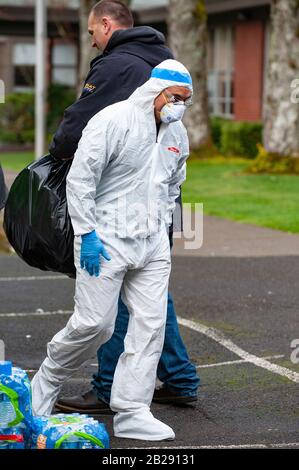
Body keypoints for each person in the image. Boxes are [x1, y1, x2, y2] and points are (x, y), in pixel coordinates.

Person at [31, 59, 193, 441]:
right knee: (95, 325)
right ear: (155, 91)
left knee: (150, 325)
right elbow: (80, 179)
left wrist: (163, 226)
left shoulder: (177, 132)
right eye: (175, 97)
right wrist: (86, 233)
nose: (179, 106)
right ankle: (46, 384)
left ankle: (133, 410)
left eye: (186, 100)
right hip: (105, 239)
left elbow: (174, 181)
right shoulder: (113, 120)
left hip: (151, 243)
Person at [52, 0, 200, 415]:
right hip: (154, 205)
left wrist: (57, 150)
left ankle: (105, 386)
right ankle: (180, 377)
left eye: (91, 32)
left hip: (118, 202)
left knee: (113, 293)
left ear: (105, 24)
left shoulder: (116, 64)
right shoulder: (162, 59)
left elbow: (79, 127)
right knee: (148, 294)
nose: (92, 40)